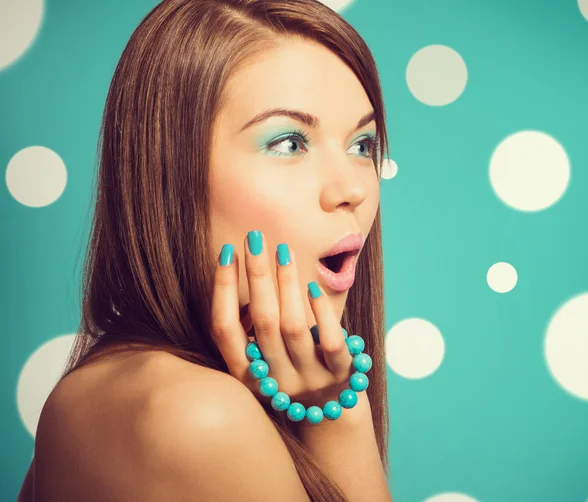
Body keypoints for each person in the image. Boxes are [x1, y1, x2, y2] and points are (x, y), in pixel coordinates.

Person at [17, 0, 392, 500]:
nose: (352, 189)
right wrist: (338, 421)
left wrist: (328, 404)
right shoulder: (193, 414)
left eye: (362, 145)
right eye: (288, 143)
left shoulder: (125, 387)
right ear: (169, 175)